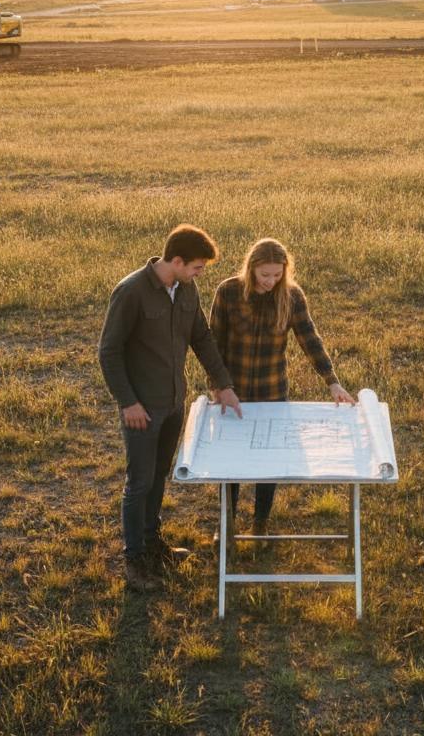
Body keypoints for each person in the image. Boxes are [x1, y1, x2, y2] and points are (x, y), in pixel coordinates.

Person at [99, 224, 241, 592]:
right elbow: (109, 351)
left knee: (160, 474)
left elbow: (201, 338)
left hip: (174, 403)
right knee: (139, 482)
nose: (200, 274)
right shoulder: (131, 292)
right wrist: (128, 402)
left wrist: (223, 384)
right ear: (176, 261)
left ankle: (152, 541)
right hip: (142, 409)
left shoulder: (186, 289)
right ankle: (134, 560)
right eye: (197, 267)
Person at [209, 237, 353, 537]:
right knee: (230, 461)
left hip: (273, 391)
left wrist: (332, 382)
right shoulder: (228, 292)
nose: (271, 281)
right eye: (265, 274)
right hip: (233, 393)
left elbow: (309, 339)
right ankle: (227, 524)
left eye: (277, 275)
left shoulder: (292, 296)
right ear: (251, 268)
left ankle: (260, 523)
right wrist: (219, 386)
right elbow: (214, 344)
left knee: (268, 461)